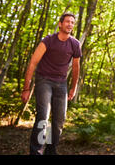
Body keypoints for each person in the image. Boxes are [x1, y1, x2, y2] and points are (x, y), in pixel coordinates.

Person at [21, 12, 81, 155]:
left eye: (72, 22)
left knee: (59, 119)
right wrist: (26, 88)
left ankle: (50, 151)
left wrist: (73, 87)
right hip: (44, 80)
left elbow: (76, 67)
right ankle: (36, 151)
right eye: (67, 21)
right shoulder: (48, 40)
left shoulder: (75, 44)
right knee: (43, 116)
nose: (70, 24)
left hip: (61, 84)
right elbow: (33, 63)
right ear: (60, 24)